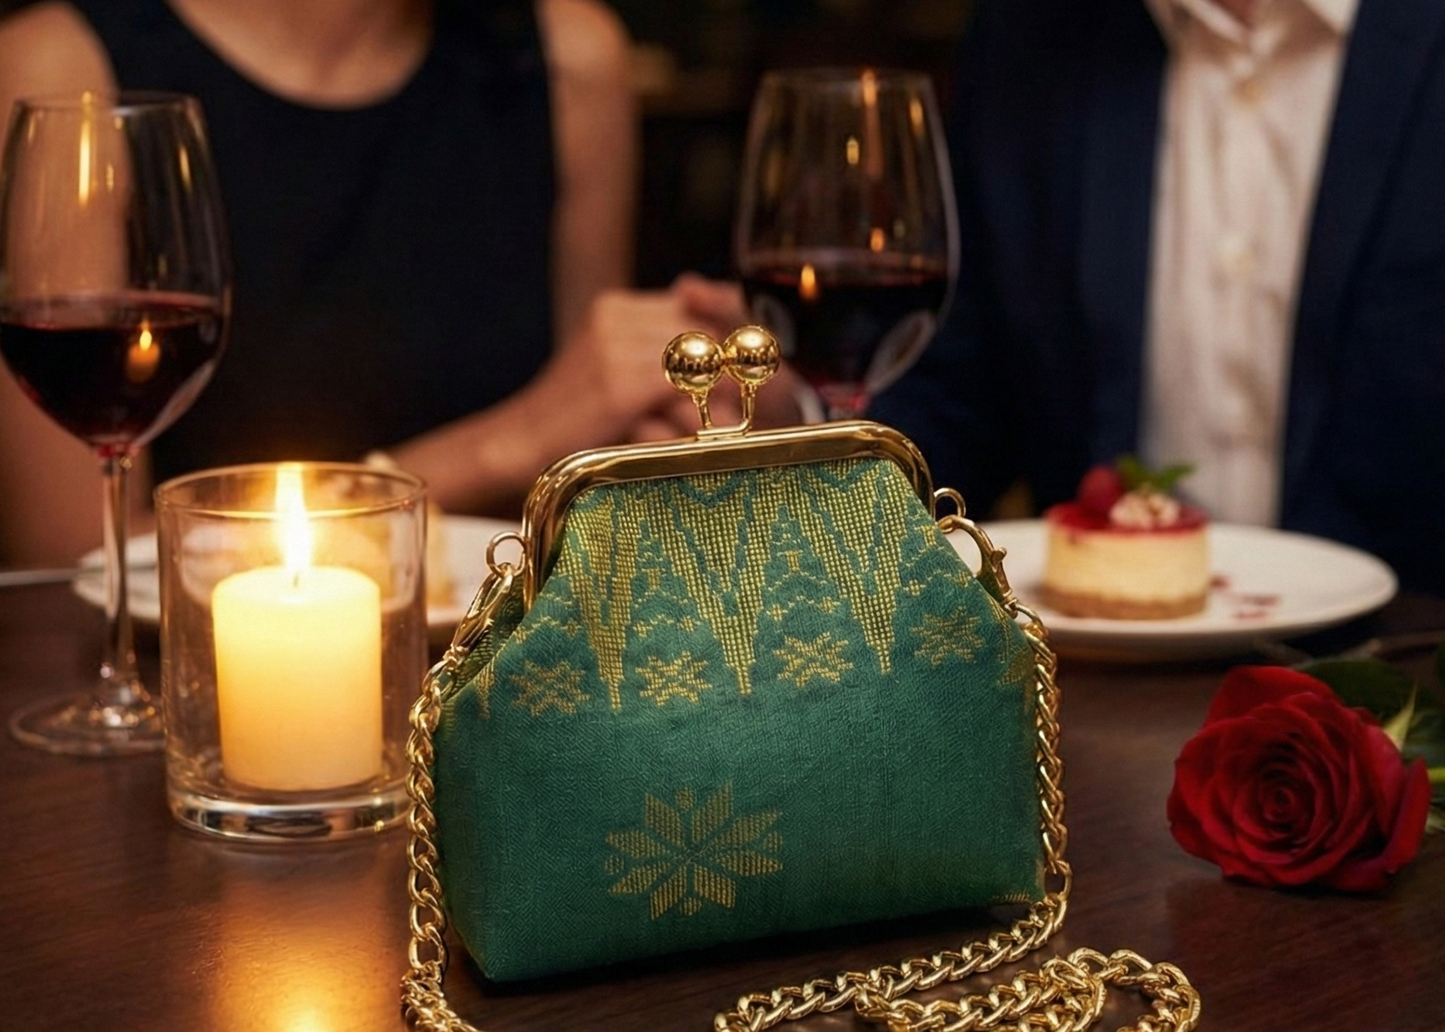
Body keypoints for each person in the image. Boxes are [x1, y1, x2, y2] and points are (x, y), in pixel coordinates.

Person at [0, 0, 750, 565]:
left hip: (493, 693)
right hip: (191, 720)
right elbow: (82, 567)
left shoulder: (566, 57)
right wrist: (506, 443)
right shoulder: (60, 70)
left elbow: (589, 474)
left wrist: (716, 404)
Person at [872, 0, 1445, 592]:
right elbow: (962, 395)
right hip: (1101, 666)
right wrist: (802, 430)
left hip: (1407, 660)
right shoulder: (1031, 33)